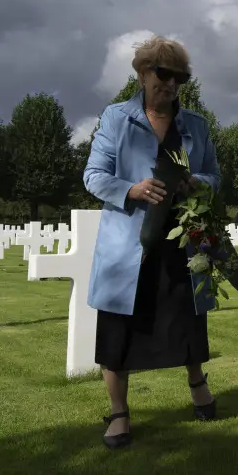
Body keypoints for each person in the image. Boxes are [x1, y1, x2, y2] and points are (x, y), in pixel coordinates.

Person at [84, 35, 221, 450]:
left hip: (182, 238)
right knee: (118, 329)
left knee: (188, 318)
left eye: (179, 77)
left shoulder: (194, 124)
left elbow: (216, 175)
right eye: (163, 74)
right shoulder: (116, 118)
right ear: (143, 73)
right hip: (130, 242)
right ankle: (119, 413)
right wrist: (132, 189)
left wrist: (199, 183)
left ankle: (198, 385)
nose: (170, 84)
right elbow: (94, 175)